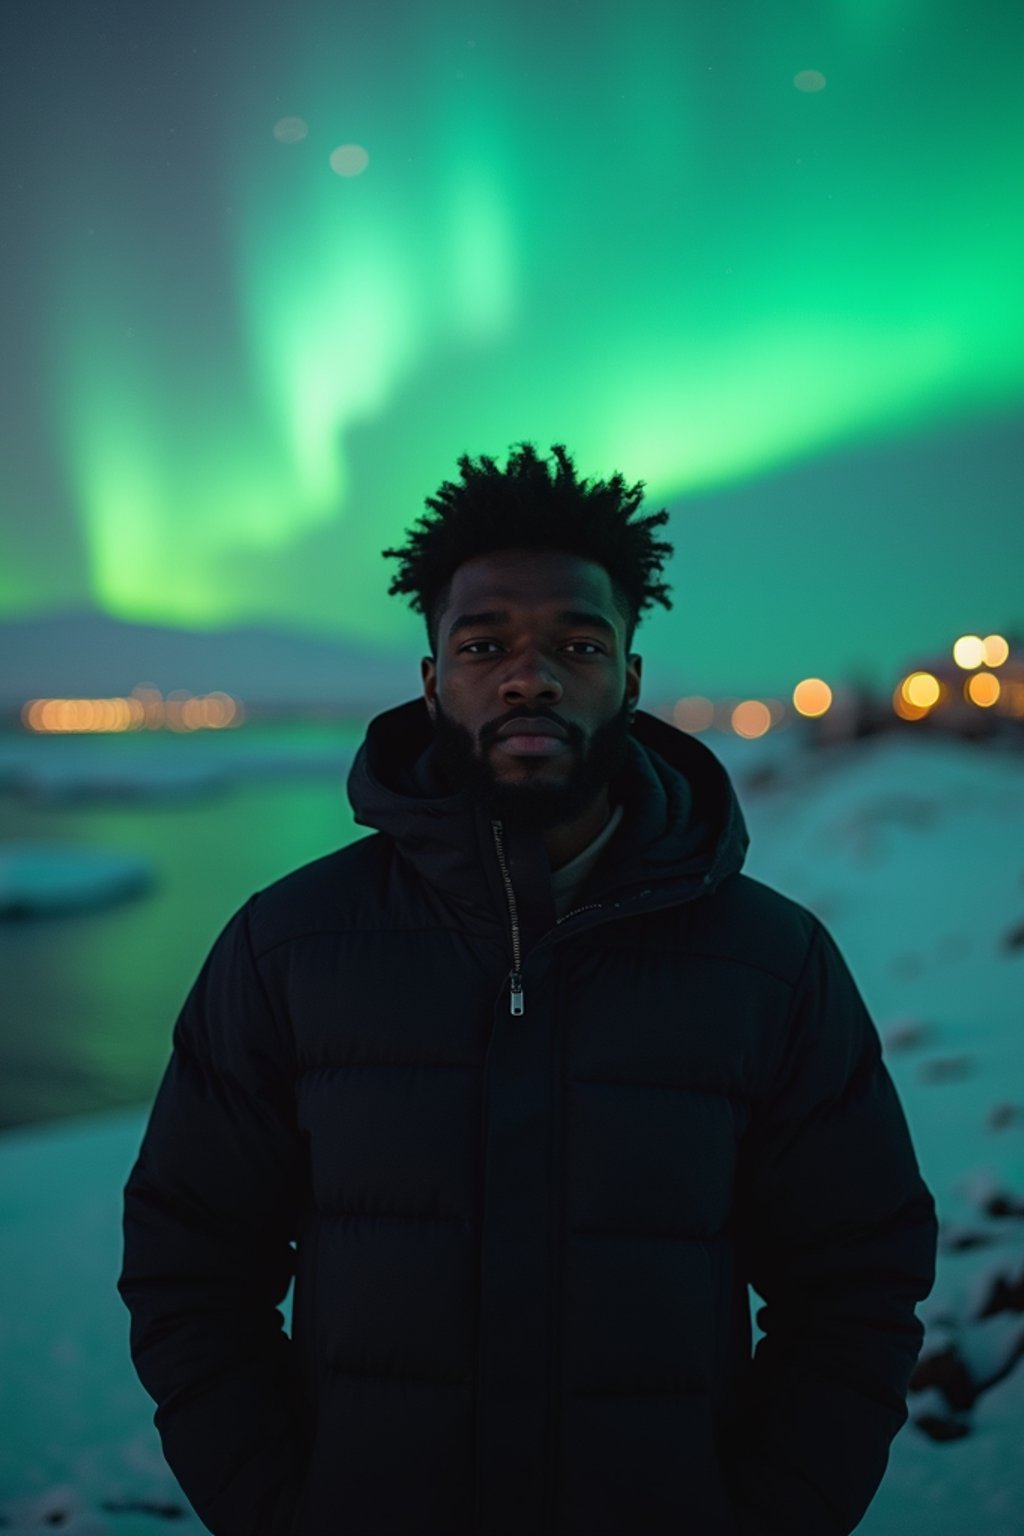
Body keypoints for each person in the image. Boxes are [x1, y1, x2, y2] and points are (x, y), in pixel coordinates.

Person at [118, 441, 938, 1536]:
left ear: (632, 676)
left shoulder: (771, 964)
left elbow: (858, 1281)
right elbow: (189, 1265)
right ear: (431, 680)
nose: (530, 675)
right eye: (485, 642)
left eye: (577, 642)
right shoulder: (289, 947)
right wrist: (279, 1509)